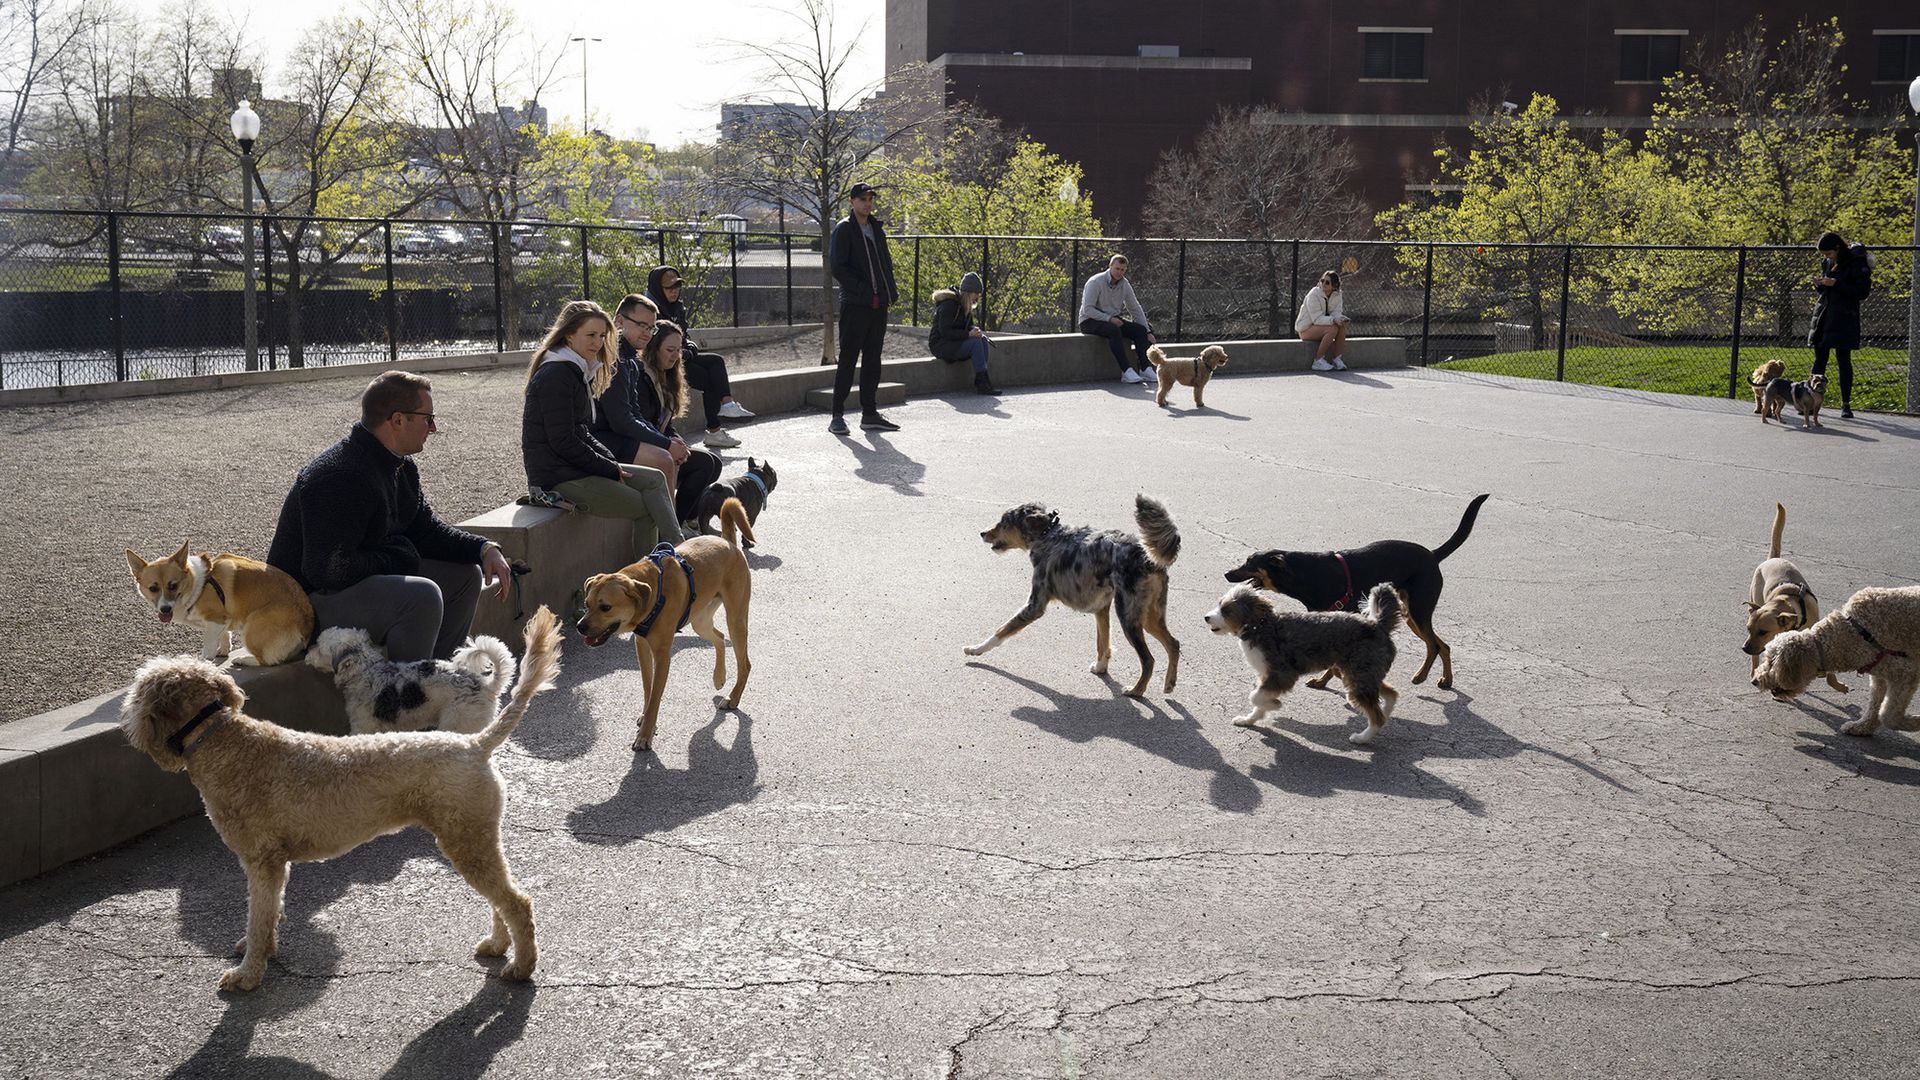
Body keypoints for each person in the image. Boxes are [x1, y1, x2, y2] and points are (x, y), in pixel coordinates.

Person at [267, 370, 512, 663]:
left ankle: (439, 680)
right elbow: (327, 569)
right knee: (422, 596)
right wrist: (397, 556)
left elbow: (424, 530)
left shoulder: (399, 466)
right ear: (397, 420)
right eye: (427, 418)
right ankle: (407, 699)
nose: (433, 428)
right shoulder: (341, 476)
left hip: (341, 588)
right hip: (303, 607)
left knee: (465, 576)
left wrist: (483, 549)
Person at [520, 299, 682, 561]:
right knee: (645, 507)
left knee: (654, 479)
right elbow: (564, 442)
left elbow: (582, 432)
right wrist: (608, 468)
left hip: (575, 468)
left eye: (602, 336)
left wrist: (610, 462)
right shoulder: (556, 374)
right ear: (569, 335)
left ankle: (678, 551)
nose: (598, 342)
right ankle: (649, 576)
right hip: (557, 477)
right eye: (591, 335)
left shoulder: (577, 369)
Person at [629, 319, 724, 527]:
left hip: (659, 441)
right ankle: (674, 527)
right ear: (654, 349)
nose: (676, 356)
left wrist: (677, 441)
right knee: (705, 464)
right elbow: (642, 423)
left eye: (679, 350)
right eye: (670, 349)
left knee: (713, 463)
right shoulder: (641, 375)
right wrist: (669, 445)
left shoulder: (667, 375)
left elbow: (665, 422)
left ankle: (687, 519)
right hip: (642, 448)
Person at [644, 265, 752, 449]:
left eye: (677, 286)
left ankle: (726, 404)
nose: (674, 291)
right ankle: (714, 430)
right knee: (707, 378)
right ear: (657, 288)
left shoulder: (677, 308)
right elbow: (653, 345)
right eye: (669, 288)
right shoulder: (651, 310)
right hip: (661, 362)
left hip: (680, 357)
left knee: (715, 361)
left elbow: (684, 336)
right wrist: (682, 351)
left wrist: (689, 347)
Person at [828, 181, 901, 434]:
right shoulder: (844, 229)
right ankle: (837, 415)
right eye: (862, 199)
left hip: (878, 305)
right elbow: (838, 268)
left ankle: (869, 413)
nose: (867, 204)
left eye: (870, 199)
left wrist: (889, 292)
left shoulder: (876, 228)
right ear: (852, 202)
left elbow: (885, 264)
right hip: (855, 305)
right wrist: (862, 291)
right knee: (848, 359)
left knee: (873, 360)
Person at [1809, 230, 1871, 419]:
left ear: (1837, 248)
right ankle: (1810, 400)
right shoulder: (1827, 262)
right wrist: (1820, 284)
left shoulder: (1855, 263)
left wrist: (1836, 283)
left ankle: (1846, 404)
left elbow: (1862, 292)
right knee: (1820, 358)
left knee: (1843, 360)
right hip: (1825, 315)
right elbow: (1825, 292)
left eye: (1829, 254)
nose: (1826, 258)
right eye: (1824, 255)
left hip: (1844, 317)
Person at [1078, 254, 1157, 385]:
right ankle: (1126, 371)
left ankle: (1145, 368)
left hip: (1113, 319)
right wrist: (1109, 319)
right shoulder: (1095, 282)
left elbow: (1135, 308)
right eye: (1117, 268)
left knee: (1140, 330)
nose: (1120, 272)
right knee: (1114, 330)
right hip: (1089, 321)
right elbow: (1088, 309)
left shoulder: (1124, 284)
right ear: (1110, 267)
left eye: (1123, 270)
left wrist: (1148, 332)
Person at [928, 271, 999, 395]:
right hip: (941, 345)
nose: (977, 297)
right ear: (968, 292)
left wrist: (974, 330)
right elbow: (945, 332)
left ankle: (982, 379)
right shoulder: (949, 305)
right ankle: (982, 383)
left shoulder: (965, 305)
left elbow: (966, 326)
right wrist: (968, 334)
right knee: (975, 343)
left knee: (981, 339)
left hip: (954, 342)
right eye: (976, 293)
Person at [1295, 269, 1350, 371]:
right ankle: (1318, 361)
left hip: (1321, 327)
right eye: (1322, 280)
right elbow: (1316, 319)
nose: (1323, 284)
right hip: (1306, 329)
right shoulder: (1314, 294)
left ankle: (1337, 359)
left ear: (1334, 286)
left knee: (1341, 327)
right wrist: (1333, 320)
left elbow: (1336, 311)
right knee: (1332, 329)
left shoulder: (1337, 294)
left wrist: (1340, 319)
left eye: (1327, 282)